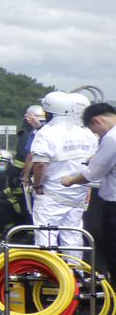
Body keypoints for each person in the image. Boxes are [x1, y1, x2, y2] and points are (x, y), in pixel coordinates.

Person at [28, 91, 98, 248]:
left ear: (49, 111)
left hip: (51, 194)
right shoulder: (86, 133)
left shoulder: (47, 132)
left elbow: (40, 164)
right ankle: (74, 263)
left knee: (46, 235)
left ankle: (49, 264)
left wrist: (37, 185)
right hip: (78, 192)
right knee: (73, 235)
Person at [62, 102, 116, 280]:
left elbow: (92, 174)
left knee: (113, 251)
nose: (99, 135)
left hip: (113, 205)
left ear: (97, 121)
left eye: (96, 132)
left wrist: (70, 180)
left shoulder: (111, 137)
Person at [6, 104, 45, 227]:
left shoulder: (34, 134)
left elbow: (30, 156)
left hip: (35, 178)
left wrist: (25, 177)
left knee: (31, 205)